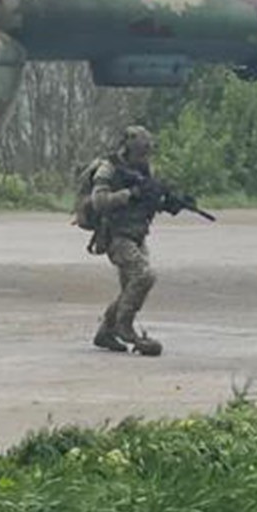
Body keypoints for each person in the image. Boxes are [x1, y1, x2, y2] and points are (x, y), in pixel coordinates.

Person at [77, 124, 166, 357]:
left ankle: (106, 331)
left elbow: (149, 198)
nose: (143, 158)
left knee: (130, 288)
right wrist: (129, 194)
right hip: (116, 235)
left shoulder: (145, 170)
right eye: (140, 152)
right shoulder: (108, 169)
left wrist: (162, 200)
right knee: (144, 276)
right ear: (128, 149)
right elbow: (99, 201)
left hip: (137, 234)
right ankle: (124, 326)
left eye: (146, 153)